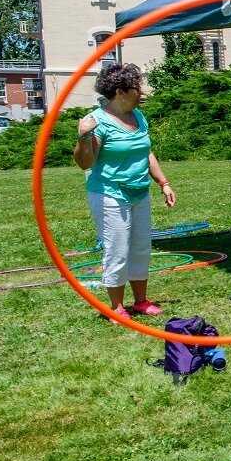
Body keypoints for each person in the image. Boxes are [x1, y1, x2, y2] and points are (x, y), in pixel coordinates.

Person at [73, 63, 177, 321]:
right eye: (137, 88)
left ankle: (141, 301)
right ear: (120, 92)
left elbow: (146, 152)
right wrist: (83, 137)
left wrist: (163, 182)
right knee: (117, 249)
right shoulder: (98, 122)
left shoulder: (138, 116)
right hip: (109, 192)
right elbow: (85, 163)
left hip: (139, 192)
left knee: (141, 247)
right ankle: (117, 307)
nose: (141, 92)